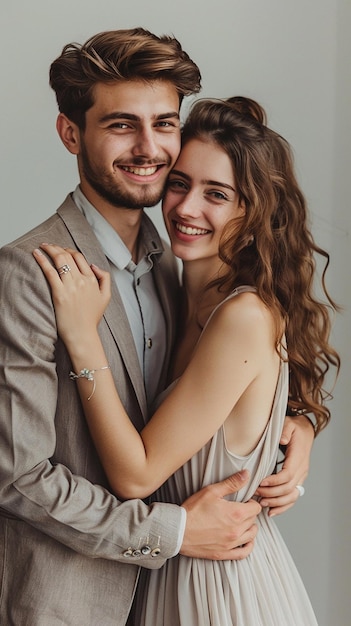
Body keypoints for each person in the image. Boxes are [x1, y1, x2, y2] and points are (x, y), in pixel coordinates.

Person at [0, 28, 312, 626]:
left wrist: (298, 425)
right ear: (72, 133)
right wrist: (171, 532)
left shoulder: (177, 265)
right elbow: (20, 478)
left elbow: (224, 396)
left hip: (187, 592)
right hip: (70, 606)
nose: (149, 147)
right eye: (121, 125)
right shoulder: (31, 272)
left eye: (164, 123)